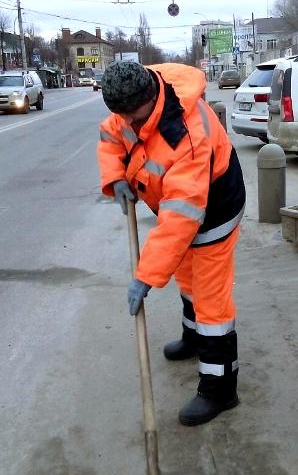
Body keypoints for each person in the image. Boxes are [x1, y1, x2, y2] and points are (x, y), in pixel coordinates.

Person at [96, 60, 246, 426]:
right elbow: (111, 136)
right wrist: (115, 176)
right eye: (122, 115)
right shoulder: (133, 97)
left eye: (132, 116)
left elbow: (181, 220)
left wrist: (145, 276)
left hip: (214, 209)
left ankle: (220, 389)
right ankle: (192, 338)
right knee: (188, 279)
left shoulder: (187, 137)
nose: (127, 123)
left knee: (212, 303)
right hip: (180, 205)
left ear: (149, 98)